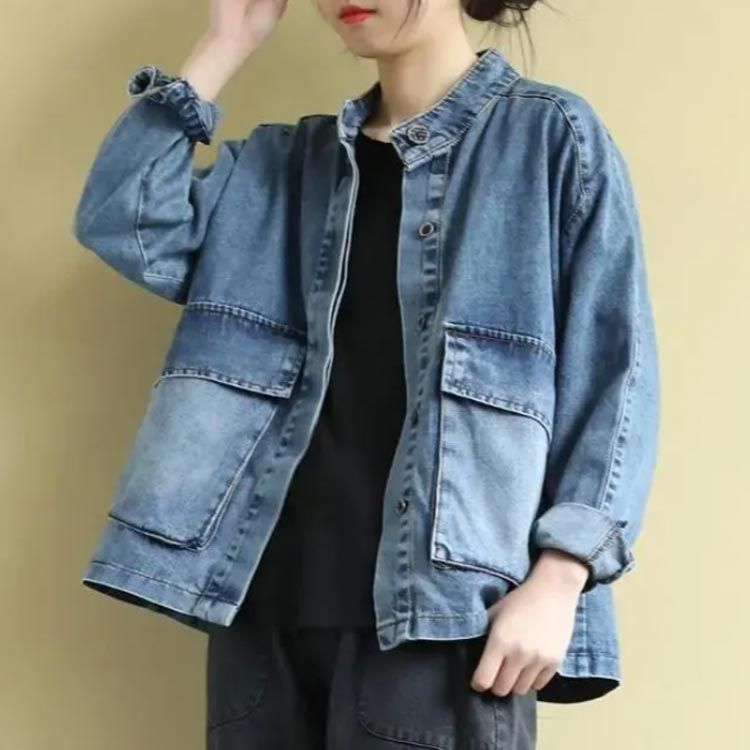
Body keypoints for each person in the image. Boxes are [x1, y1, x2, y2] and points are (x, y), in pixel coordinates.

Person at [74, 0, 660, 747]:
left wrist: (562, 576)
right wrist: (224, 43)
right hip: (257, 618)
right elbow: (123, 220)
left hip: (444, 625)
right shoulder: (284, 166)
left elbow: (616, 377)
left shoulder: (549, 138)